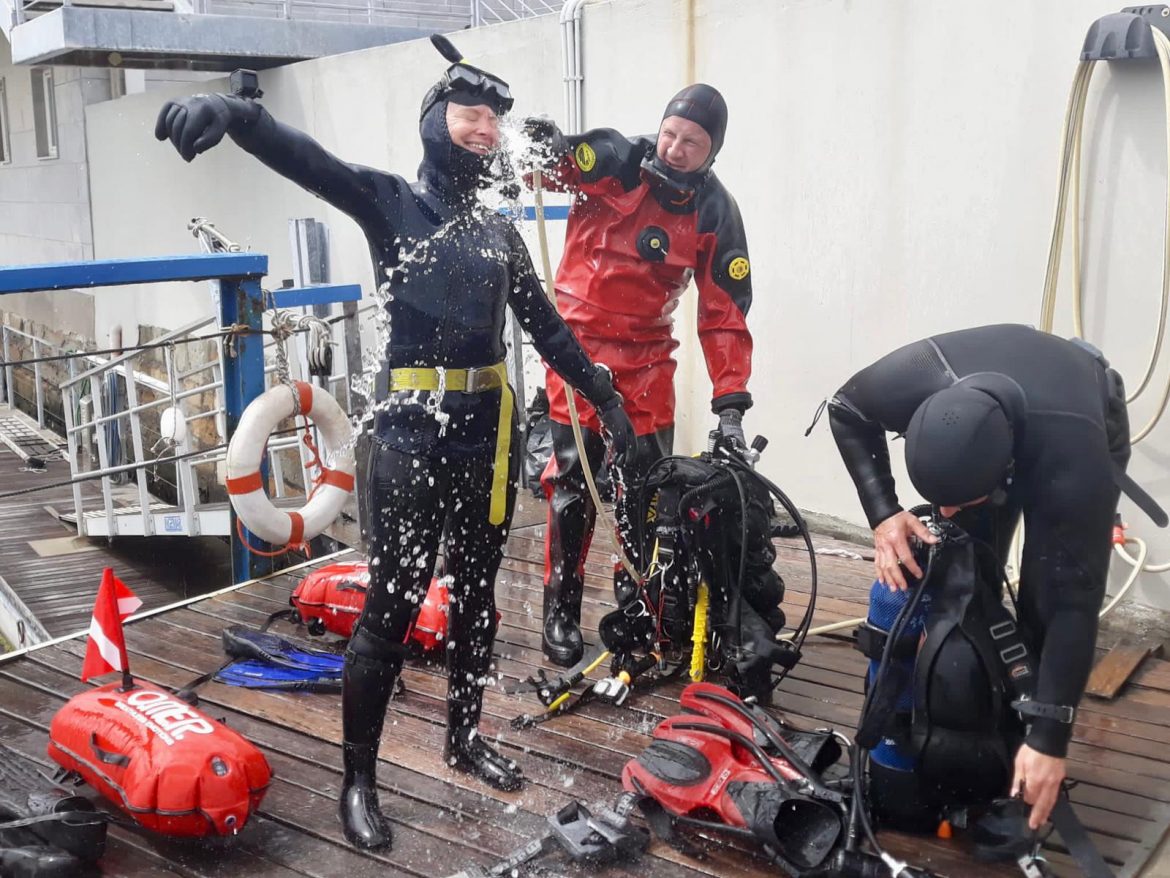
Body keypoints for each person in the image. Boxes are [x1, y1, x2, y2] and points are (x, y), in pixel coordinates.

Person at [154, 44, 635, 851]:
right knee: (392, 608)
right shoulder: (391, 204)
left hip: (488, 434)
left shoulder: (498, 232)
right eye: (469, 113)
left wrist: (605, 394)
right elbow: (314, 164)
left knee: (479, 597)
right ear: (434, 124)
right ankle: (359, 779)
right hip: (410, 434)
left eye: (495, 118)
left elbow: (547, 326)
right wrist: (241, 117)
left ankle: (464, 737)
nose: (486, 129)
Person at [826, 323, 1140, 831]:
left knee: (1046, 594)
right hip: (1002, 408)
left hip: (1085, 415)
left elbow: (1073, 606)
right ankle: (968, 721)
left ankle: (1023, 749)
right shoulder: (922, 378)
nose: (944, 510)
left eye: (959, 496)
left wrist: (1050, 739)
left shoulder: (1075, 462)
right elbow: (846, 410)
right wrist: (884, 513)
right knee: (964, 574)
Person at [524, 84, 755, 668]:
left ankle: (640, 607)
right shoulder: (617, 160)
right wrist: (544, 144)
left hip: (649, 359)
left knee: (652, 490)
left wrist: (731, 406)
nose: (676, 149)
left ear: (713, 151)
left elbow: (724, 313)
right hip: (576, 349)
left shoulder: (715, 212)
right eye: (671, 134)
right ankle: (560, 607)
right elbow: (557, 164)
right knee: (575, 484)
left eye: (693, 143)